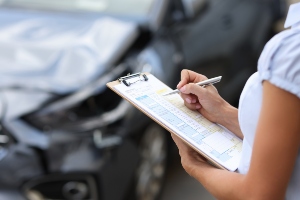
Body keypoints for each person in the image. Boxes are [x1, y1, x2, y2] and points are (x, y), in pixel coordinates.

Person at [172, 2, 300, 200]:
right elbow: (288, 142)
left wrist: (194, 165)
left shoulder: (290, 52)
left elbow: (259, 194)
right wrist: (222, 111)